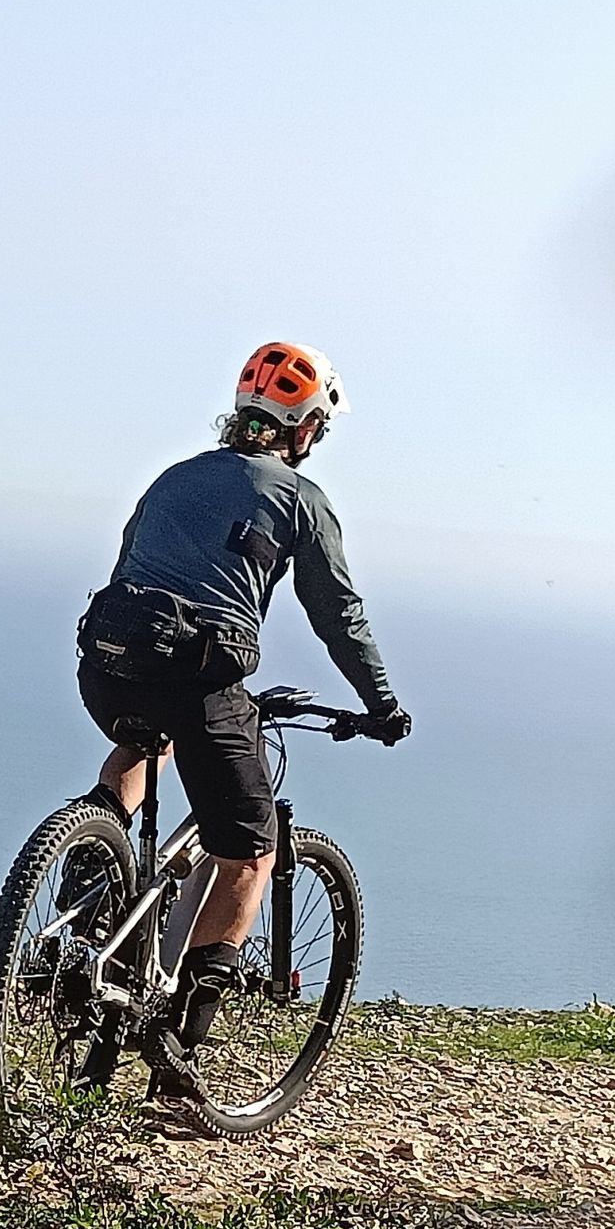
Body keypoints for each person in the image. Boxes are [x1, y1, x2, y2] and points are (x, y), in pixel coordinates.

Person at [71, 341, 411, 1097]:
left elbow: (132, 563)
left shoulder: (175, 477)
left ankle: (93, 863)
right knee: (249, 852)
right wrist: (381, 702)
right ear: (304, 426)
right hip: (199, 678)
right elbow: (338, 614)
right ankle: (177, 1047)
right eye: (320, 424)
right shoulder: (300, 499)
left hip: (108, 662)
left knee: (145, 739)